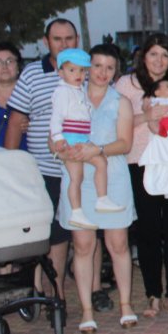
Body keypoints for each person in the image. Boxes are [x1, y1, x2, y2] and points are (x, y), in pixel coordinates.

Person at [115, 33, 168, 318]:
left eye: (165, 55)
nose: (159, 61)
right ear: (143, 56)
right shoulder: (126, 85)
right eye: (153, 54)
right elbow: (118, 124)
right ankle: (153, 293)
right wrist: (149, 117)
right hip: (141, 163)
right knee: (148, 229)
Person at [53, 44, 137, 334]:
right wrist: (63, 149)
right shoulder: (69, 96)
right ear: (88, 68)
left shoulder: (121, 102)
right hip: (78, 178)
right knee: (83, 246)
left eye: (109, 67)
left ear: (116, 72)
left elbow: (125, 143)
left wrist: (97, 149)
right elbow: (55, 134)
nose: (102, 72)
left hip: (112, 177)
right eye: (97, 66)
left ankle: (126, 305)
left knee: (118, 245)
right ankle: (86, 310)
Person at [5, 18, 80, 301]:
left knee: (66, 237)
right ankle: (37, 291)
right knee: (50, 236)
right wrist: (11, 166)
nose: (64, 44)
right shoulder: (33, 74)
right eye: (57, 39)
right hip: (44, 171)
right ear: (46, 42)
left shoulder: (85, 72)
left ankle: (57, 293)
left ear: (77, 40)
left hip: (79, 170)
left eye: (69, 38)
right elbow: (16, 120)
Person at [50, 48, 123, 229]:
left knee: (97, 164)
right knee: (77, 177)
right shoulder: (62, 92)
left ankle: (100, 199)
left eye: (82, 70)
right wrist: (58, 139)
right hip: (71, 139)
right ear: (61, 72)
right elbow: (55, 118)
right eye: (72, 70)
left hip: (80, 137)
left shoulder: (77, 90)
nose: (78, 74)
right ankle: (78, 211)